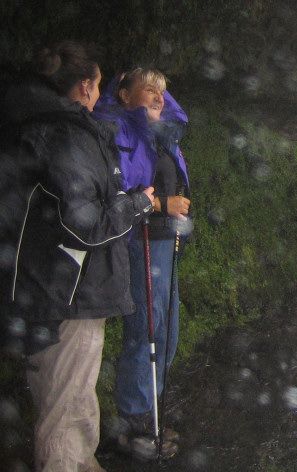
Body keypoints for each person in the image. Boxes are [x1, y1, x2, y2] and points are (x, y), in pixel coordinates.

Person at [1, 41, 154, 472]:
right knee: (65, 408)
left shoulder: (23, 125)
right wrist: (136, 204)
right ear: (85, 86)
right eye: (98, 86)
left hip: (35, 286)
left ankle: (84, 463)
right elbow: (82, 224)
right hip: (68, 291)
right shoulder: (67, 136)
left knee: (69, 397)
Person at [93, 67, 190, 459]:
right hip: (139, 240)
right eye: (148, 89)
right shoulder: (117, 129)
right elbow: (117, 191)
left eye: (162, 92)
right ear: (122, 93)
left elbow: (174, 115)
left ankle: (150, 407)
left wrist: (156, 107)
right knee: (146, 330)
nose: (157, 97)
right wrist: (162, 205)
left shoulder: (159, 132)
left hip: (166, 240)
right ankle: (134, 422)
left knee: (167, 329)